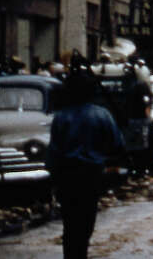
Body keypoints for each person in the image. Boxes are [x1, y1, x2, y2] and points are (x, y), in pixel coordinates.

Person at [47, 70, 125, 259]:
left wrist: (53, 178)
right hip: (91, 176)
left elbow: (54, 152)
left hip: (67, 176)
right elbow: (118, 145)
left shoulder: (61, 117)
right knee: (86, 222)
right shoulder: (102, 115)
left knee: (69, 223)